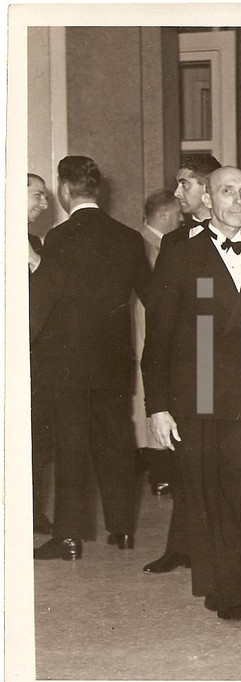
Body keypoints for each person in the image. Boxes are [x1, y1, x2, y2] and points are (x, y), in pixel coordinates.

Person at [142, 166, 241, 623]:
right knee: (204, 493)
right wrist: (158, 406)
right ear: (207, 197)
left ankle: (239, 595)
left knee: (239, 493)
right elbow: (159, 334)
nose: (238, 201)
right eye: (228, 191)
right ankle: (213, 581)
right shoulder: (179, 250)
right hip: (195, 394)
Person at [31, 156, 150, 561]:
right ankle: (122, 529)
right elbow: (151, 296)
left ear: (65, 189)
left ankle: (68, 537)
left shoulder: (60, 238)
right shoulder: (129, 238)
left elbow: (44, 300)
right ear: (96, 189)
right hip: (114, 361)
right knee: (116, 441)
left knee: (71, 447)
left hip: (67, 362)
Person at [141, 153, 221, 575]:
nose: (177, 193)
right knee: (187, 460)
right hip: (188, 369)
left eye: (185, 184)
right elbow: (160, 319)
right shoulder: (175, 242)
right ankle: (182, 546)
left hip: (227, 370)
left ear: (208, 189)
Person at [134, 189, 183, 502]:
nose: (181, 220)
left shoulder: (152, 244)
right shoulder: (145, 246)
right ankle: (160, 474)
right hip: (145, 333)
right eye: (177, 214)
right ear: (164, 214)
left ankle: (161, 471)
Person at [28, 173, 53, 534]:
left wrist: (33, 258)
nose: (45, 204)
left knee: (34, 439)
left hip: (30, 357)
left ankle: (30, 513)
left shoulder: (34, 242)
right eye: (37, 195)